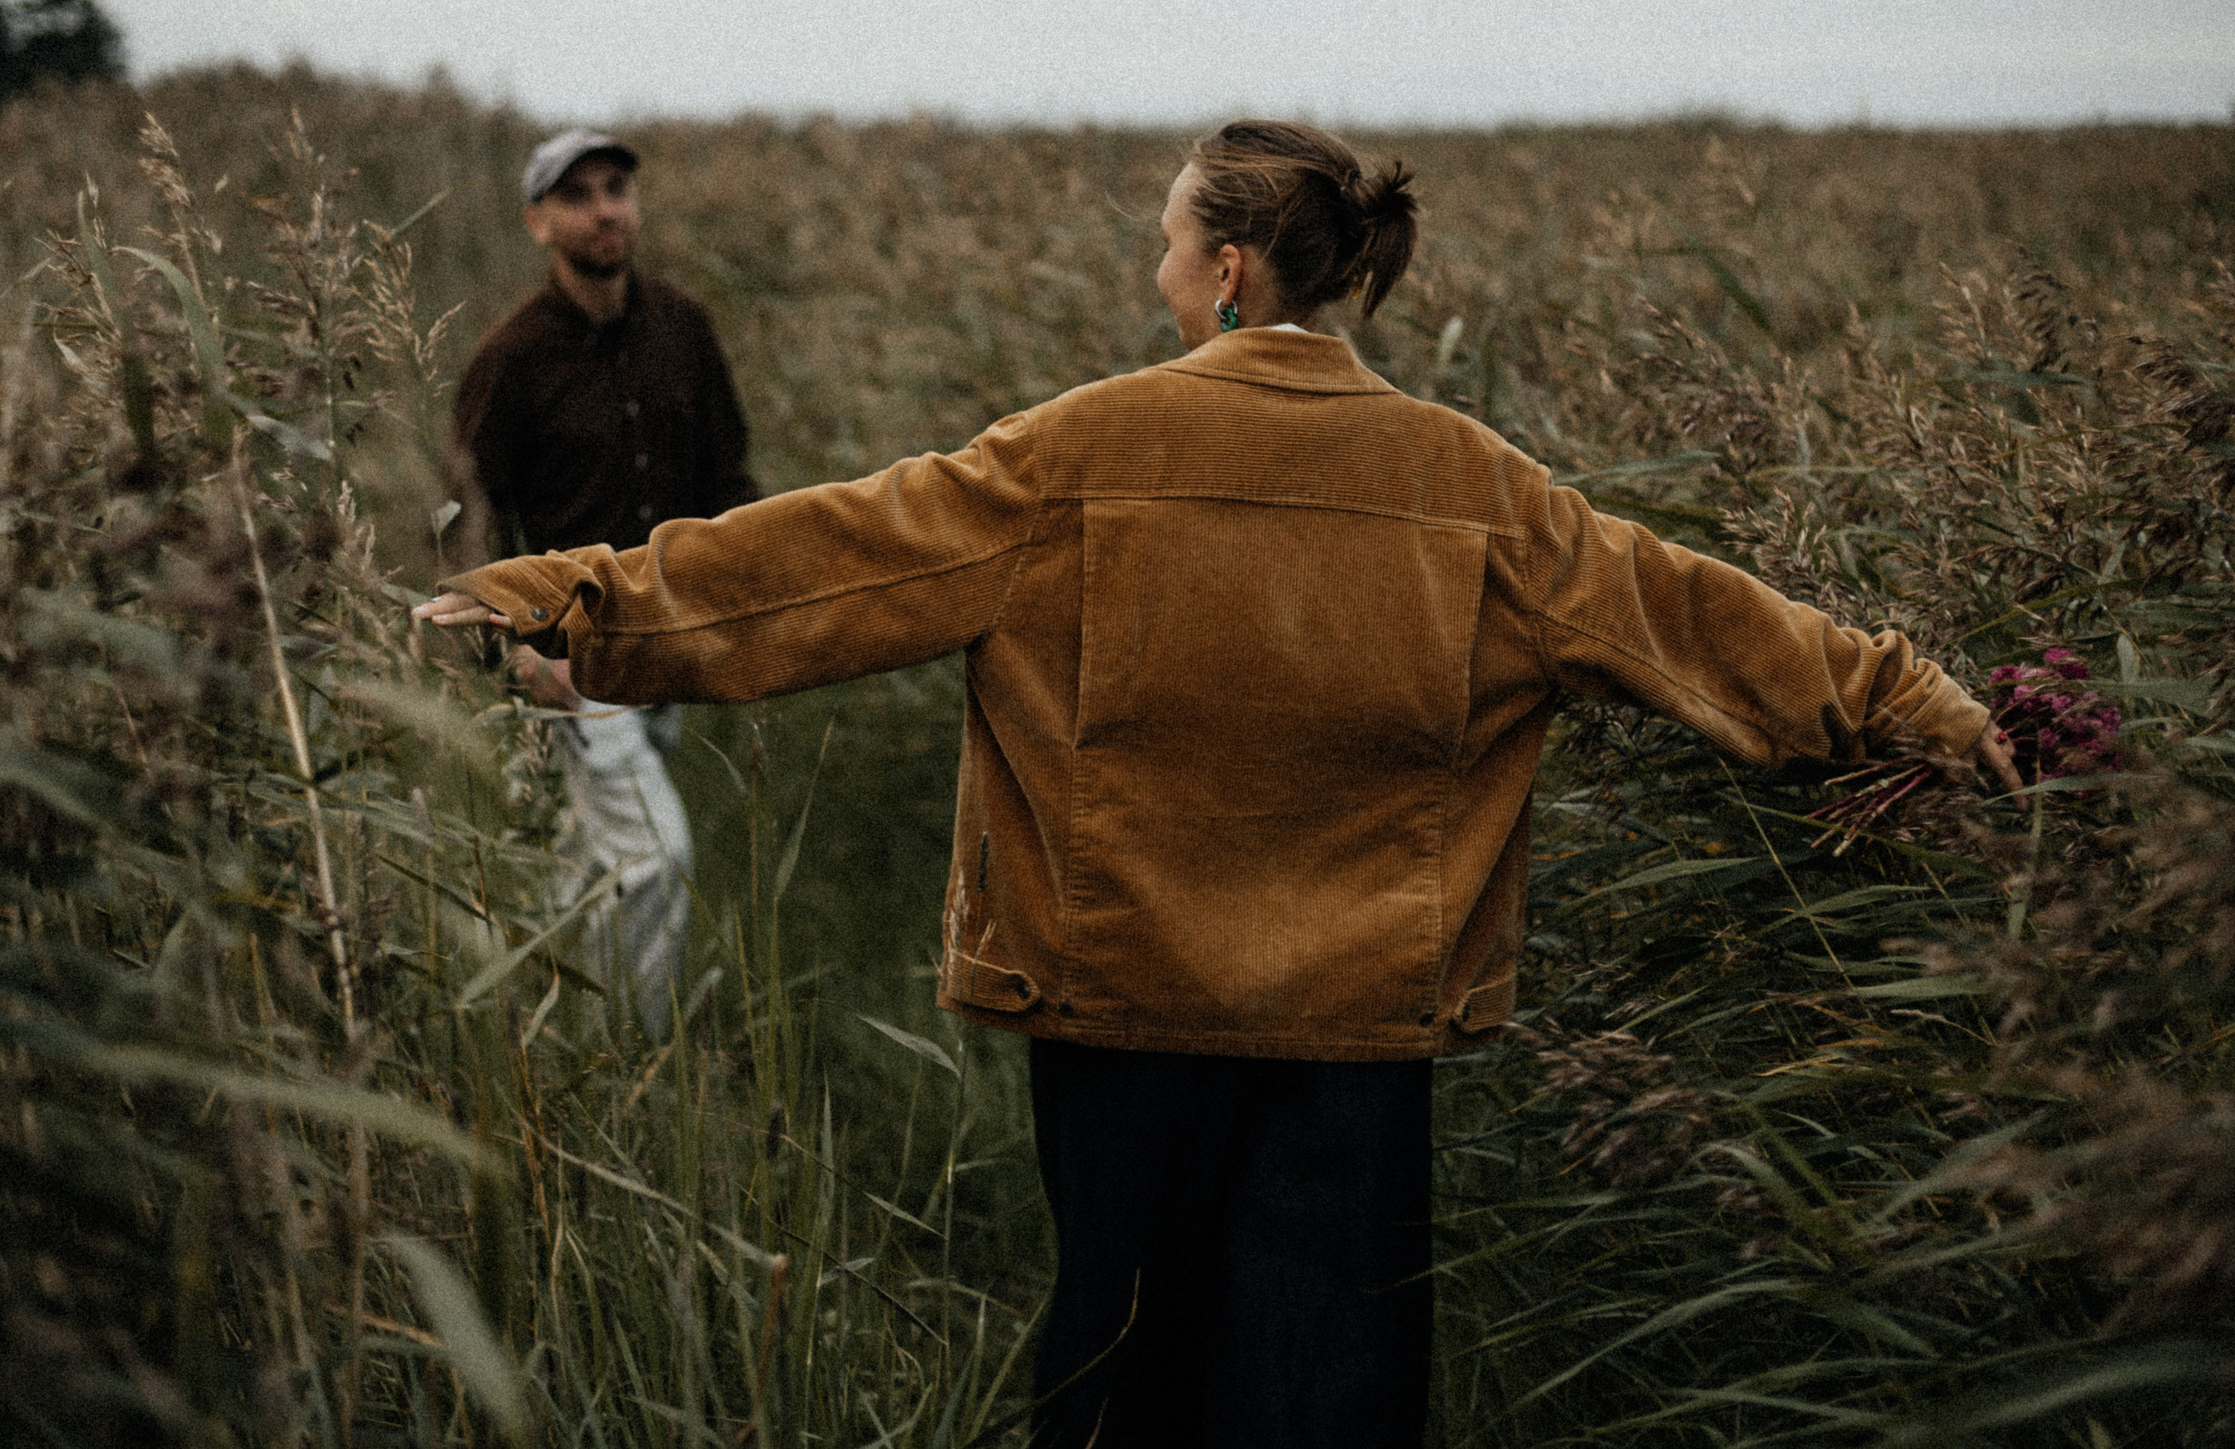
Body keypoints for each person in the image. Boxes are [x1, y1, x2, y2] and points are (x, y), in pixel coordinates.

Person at [417, 120, 2021, 1447]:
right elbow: (1697, 617)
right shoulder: (1473, 483)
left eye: (1171, 242)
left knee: (1125, 1378)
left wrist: (565, 601)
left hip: (1121, 1004)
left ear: (1230, 269)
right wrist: (1918, 705)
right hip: (1359, 1018)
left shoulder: (1081, 449)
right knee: (1334, 1390)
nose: (1157, 268)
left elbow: (822, 563)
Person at [442, 127, 762, 1039]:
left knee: (591, 863)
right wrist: (524, 658)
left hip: (670, 641)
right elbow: (469, 523)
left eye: (616, 187)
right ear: (539, 223)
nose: (605, 207)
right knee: (656, 856)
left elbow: (728, 479)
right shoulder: (512, 358)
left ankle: (555, 1048)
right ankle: (640, 1054)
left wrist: (743, 590)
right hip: (573, 662)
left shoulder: (682, 328)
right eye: (577, 195)